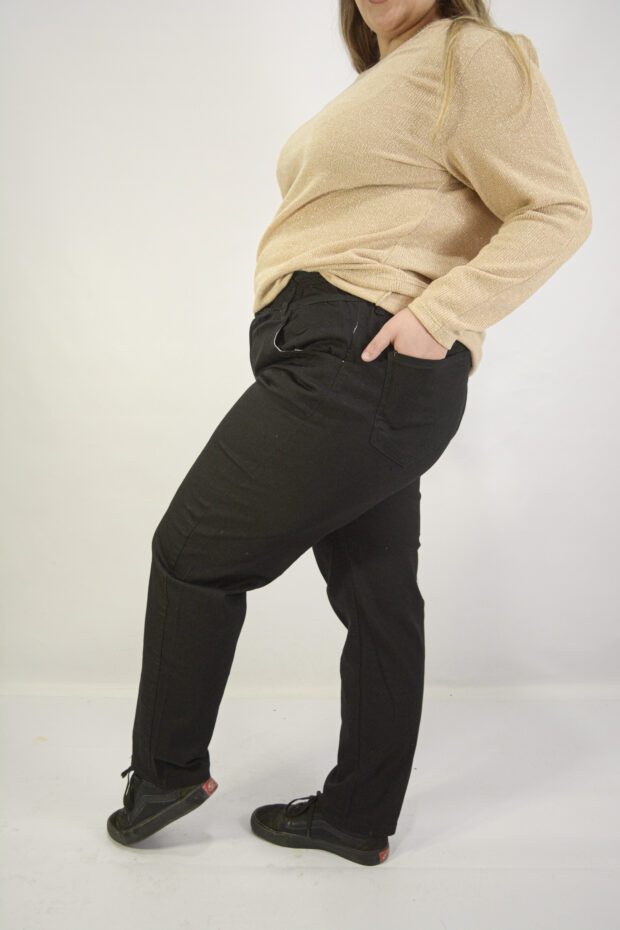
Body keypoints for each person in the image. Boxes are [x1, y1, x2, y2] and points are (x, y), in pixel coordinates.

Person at [106, 0, 592, 866]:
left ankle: (165, 772)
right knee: (377, 598)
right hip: (350, 363)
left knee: (192, 551)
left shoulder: (469, 53)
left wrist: (440, 314)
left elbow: (558, 208)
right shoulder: (394, 75)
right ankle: (357, 816)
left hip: (359, 360)